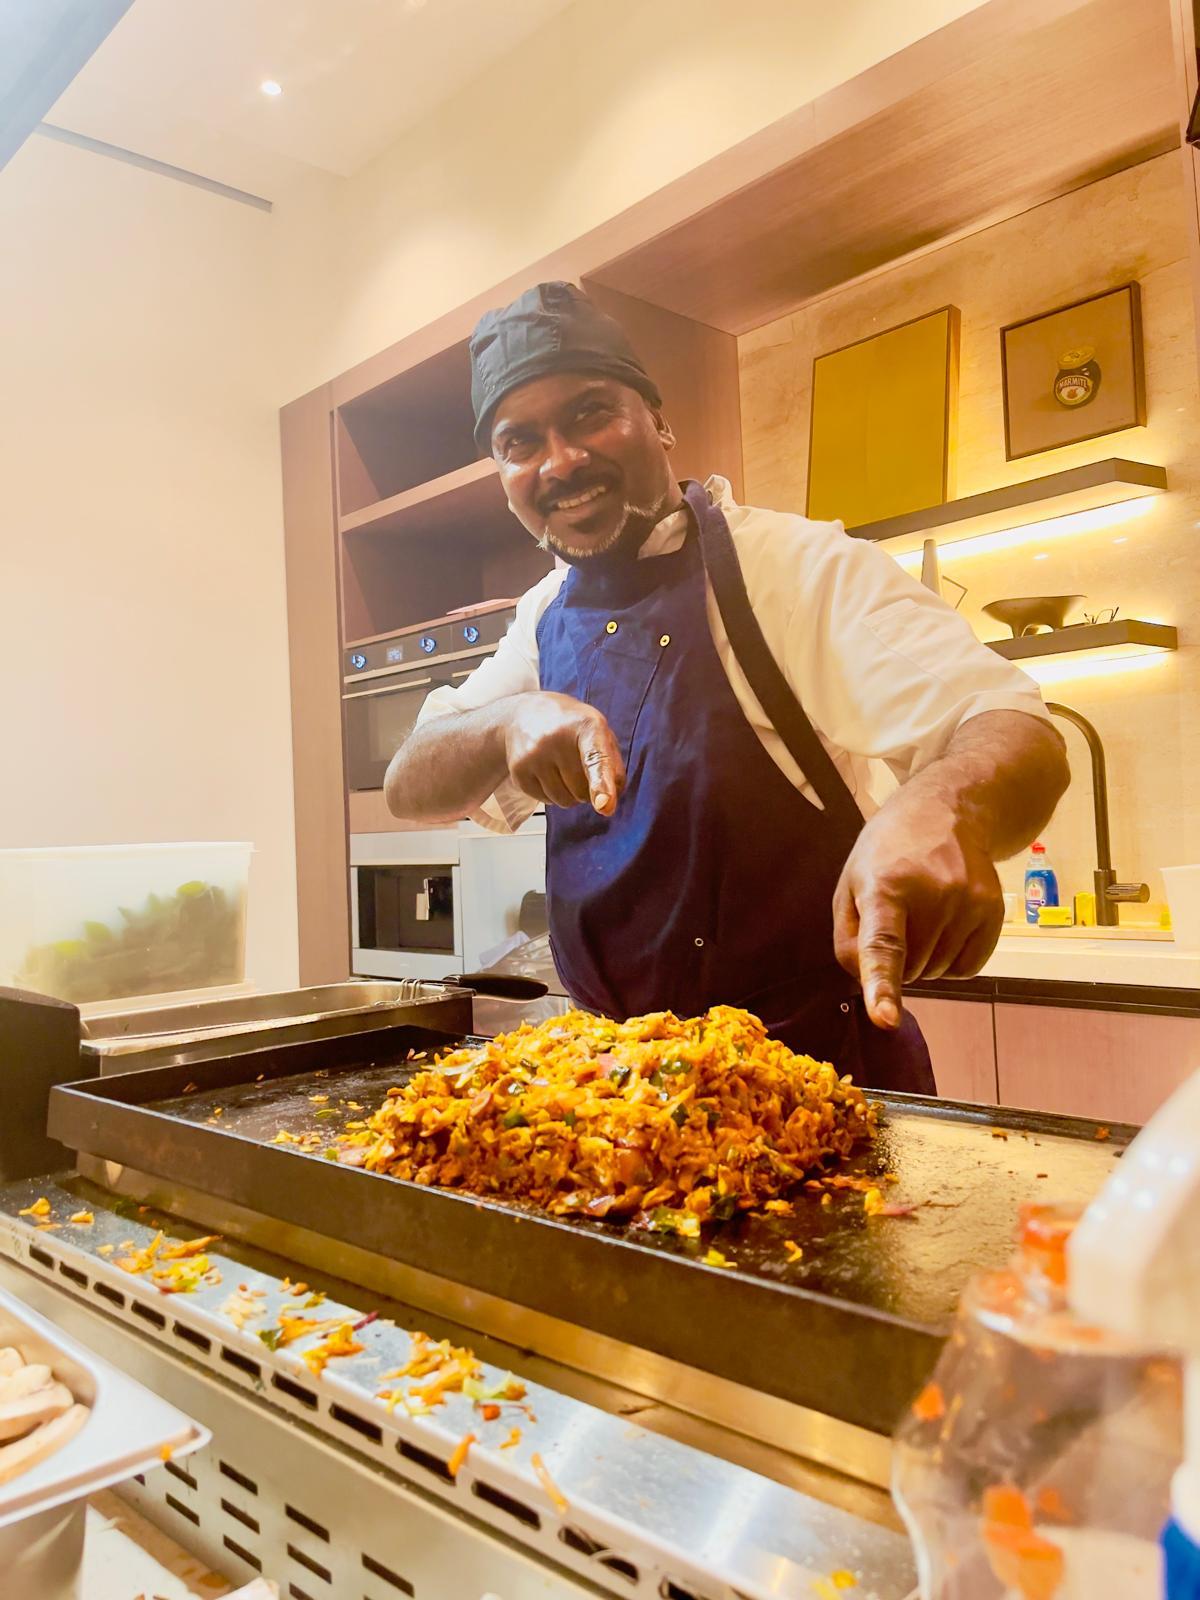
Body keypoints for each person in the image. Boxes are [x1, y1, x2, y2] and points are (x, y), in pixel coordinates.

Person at [384, 282, 1068, 1091]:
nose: (560, 461)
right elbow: (410, 783)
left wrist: (943, 805)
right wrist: (507, 722)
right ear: (503, 475)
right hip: (615, 1094)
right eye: (520, 442)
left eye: (590, 413)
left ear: (659, 421)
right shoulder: (542, 617)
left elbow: (1013, 726)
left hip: (813, 1086)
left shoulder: (797, 568)